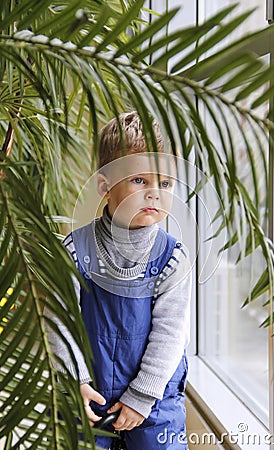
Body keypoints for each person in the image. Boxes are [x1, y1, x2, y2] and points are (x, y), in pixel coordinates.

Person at [46, 112, 191, 449]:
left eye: (165, 183)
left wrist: (142, 396)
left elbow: (171, 332)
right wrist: (76, 381)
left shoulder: (172, 258)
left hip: (154, 400)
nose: (154, 193)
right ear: (105, 186)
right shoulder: (73, 250)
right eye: (139, 180)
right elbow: (58, 321)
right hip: (89, 395)